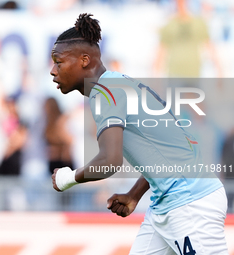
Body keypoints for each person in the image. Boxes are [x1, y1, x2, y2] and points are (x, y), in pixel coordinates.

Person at [51, 13, 228, 254]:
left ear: (84, 60)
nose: (53, 70)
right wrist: (134, 195)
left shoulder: (106, 94)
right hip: (166, 203)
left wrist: (67, 178)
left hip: (190, 203)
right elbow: (166, 148)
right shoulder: (118, 84)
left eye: (58, 62)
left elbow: (109, 161)